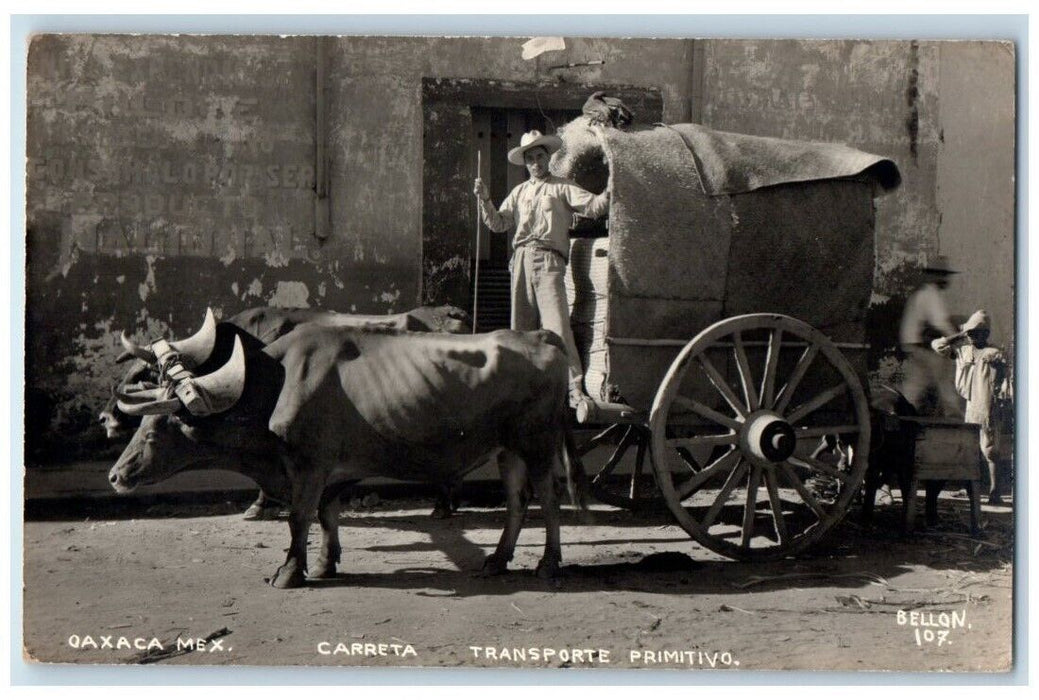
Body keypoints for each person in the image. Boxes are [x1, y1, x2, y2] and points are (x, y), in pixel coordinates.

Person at [474, 129, 610, 406]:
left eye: (540, 156)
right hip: (521, 260)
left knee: (557, 326)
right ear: (525, 164)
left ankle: (574, 389)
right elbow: (499, 223)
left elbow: (595, 207)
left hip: (549, 261)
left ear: (548, 158)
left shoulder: (563, 187)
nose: (536, 162)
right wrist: (484, 199)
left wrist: (612, 188)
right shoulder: (519, 192)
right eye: (530, 159)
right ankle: (523, 389)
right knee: (520, 330)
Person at [931, 310, 1010, 504]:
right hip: (968, 404)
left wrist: (1000, 371)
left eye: (977, 332)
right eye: (971, 333)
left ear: (986, 334)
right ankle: (971, 487)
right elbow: (937, 345)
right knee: (969, 447)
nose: (973, 336)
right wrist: (959, 335)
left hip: (986, 404)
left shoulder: (994, 354)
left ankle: (995, 491)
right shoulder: (963, 351)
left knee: (990, 448)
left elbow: (1004, 377)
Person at [898, 255, 963, 417]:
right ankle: (954, 416)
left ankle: (900, 413)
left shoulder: (922, 293)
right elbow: (941, 323)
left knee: (916, 383)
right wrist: (957, 341)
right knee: (944, 380)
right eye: (943, 275)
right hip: (922, 344)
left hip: (912, 345)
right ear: (937, 276)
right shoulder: (931, 295)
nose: (946, 279)